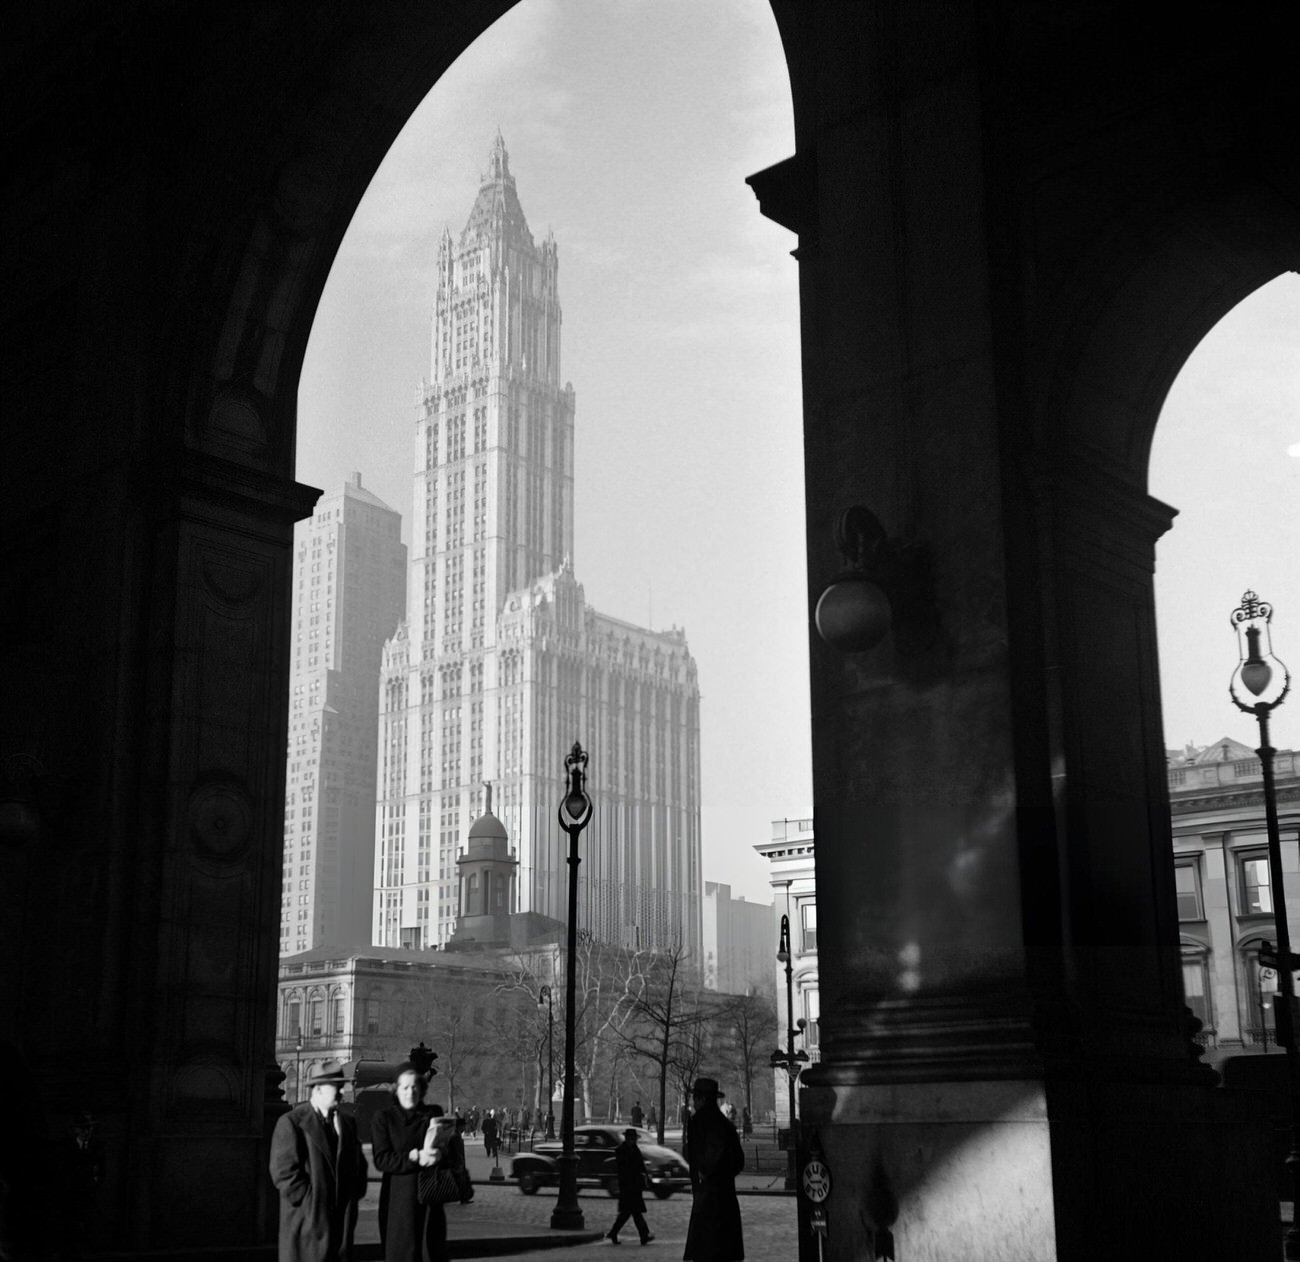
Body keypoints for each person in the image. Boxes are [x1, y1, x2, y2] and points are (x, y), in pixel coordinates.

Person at [268, 1061, 367, 1262]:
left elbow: (359, 1164)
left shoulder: (346, 1123)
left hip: (340, 1227)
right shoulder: (292, 1122)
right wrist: (312, 1205)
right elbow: (284, 1174)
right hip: (307, 1228)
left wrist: (354, 1193)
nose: (340, 1092)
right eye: (336, 1087)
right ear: (318, 1089)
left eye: (341, 1087)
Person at [370, 1065, 446, 1262]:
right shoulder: (384, 1118)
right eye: (405, 1088)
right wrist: (415, 1157)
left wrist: (440, 1154)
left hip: (429, 1195)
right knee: (402, 1252)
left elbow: (449, 1149)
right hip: (400, 1199)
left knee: (431, 1250)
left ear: (421, 1089)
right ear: (396, 1090)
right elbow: (382, 1159)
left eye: (414, 1087)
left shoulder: (433, 1114)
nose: (410, 1092)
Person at [683, 1078, 744, 1262]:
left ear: (701, 1099)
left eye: (695, 1097)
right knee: (722, 1249)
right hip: (724, 1195)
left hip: (707, 1195)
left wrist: (705, 1170)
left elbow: (710, 1152)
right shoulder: (726, 1124)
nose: (693, 1102)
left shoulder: (701, 1122)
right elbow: (739, 1161)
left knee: (706, 1248)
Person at [605, 1128, 654, 1246]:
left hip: (634, 1185)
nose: (633, 1140)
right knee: (633, 1212)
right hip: (628, 1185)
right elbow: (625, 1168)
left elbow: (640, 1165)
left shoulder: (633, 1149)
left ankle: (615, 1232)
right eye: (631, 1138)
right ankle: (643, 1235)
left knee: (628, 1212)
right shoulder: (623, 1150)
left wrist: (646, 1177)